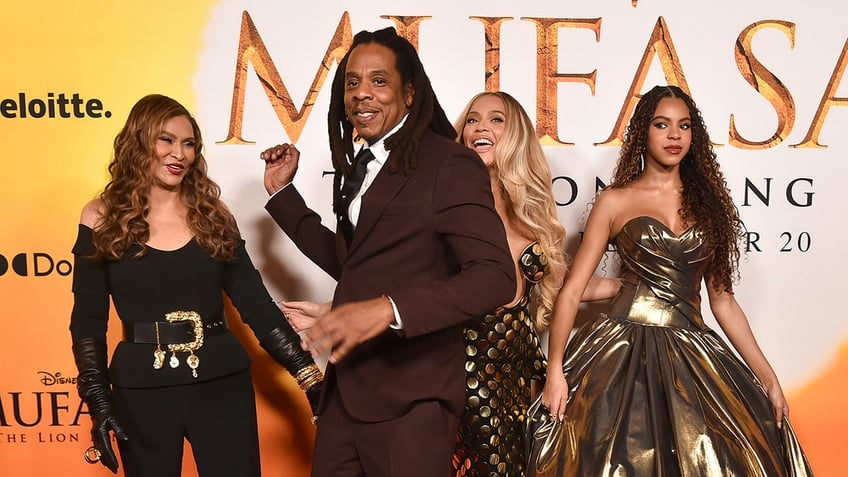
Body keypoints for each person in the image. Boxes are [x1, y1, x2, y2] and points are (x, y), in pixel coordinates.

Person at [261, 28, 516, 477]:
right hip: (347, 393)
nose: (363, 94)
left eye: (379, 81)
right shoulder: (360, 167)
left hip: (412, 398)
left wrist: (388, 310)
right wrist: (283, 195)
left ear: (410, 92)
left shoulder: (449, 165)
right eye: (352, 83)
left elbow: (495, 276)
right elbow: (356, 263)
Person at [539, 85, 814, 476]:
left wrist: (769, 378)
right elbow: (571, 294)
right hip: (622, 352)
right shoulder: (615, 201)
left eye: (683, 126)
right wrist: (555, 372)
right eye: (662, 125)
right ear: (643, 133)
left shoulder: (711, 206)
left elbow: (723, 302)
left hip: (692, 353)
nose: (674, 136)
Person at [69, 94, 323, 476]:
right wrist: (98, 401)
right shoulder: (101, 216)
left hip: (221, 384)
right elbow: (88, 321)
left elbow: (256, 306)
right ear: (139, 141)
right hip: (141, 392)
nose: (180, 154)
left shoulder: (214, 216)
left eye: (189, 144)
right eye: (166, 139)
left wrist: (310, 378)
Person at [450, 91, 620, 476]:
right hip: (471, 370)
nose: (481, 127)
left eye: (496, 119)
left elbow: (562, 285)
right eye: (473, 120)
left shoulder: (527, 209)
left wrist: (627, 288)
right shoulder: (447, 206)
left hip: (524, 372)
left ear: (516, 136)